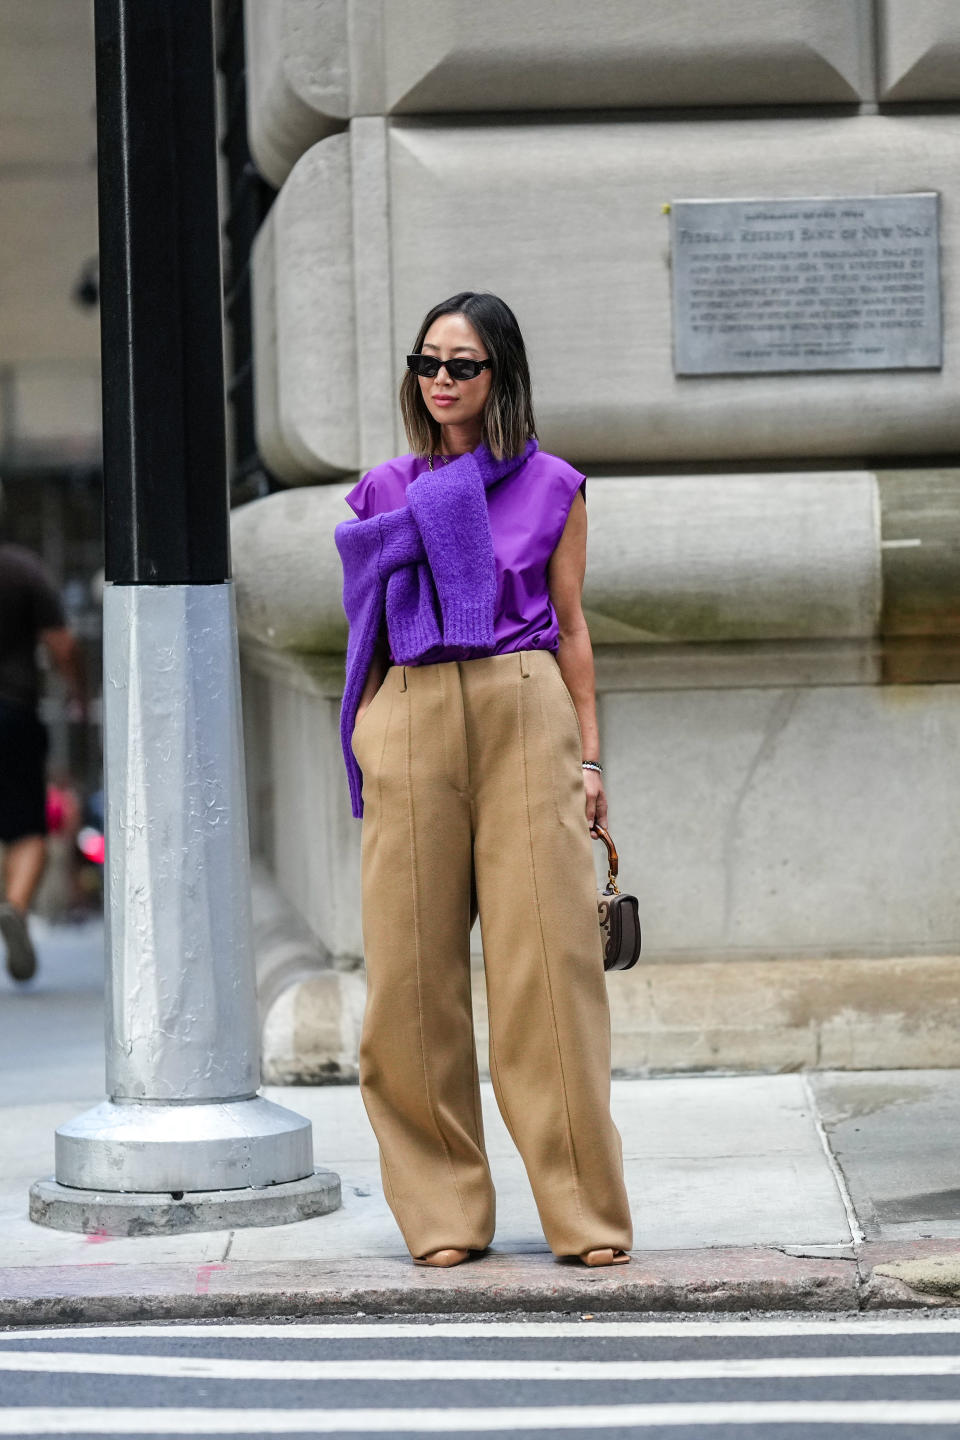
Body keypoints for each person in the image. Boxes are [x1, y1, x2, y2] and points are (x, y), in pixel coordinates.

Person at [335, 291, 632, 1270]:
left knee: (549, 970)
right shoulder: (384, 491)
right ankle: (444, 1213)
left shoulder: (552, 485)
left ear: (500, 375)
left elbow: (574, 629)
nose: (442, 382)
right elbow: (365, 632)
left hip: (522, 704)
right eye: (428, 364)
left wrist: (589, 762)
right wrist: (373, 729)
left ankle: (584, 1214)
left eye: (462, 365)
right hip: (412, 713)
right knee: (410, 982)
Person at [0, 491, 86, 981]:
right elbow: (64, 644)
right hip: (13, 712)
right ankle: (15, 905)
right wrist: (77, 691)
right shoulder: (22, 569)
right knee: (27, 828)